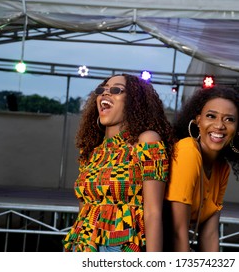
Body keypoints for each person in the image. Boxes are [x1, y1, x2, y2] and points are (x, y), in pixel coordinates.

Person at [63, 73, 175, 252]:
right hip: (83, 245)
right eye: (102, 90)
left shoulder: (147, 142)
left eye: (116, 90)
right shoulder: (92, 151)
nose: (105, 94)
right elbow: (84, 209)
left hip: (120, 246)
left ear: (135, 102)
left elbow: (153, 213)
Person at [164, 86, 239, 252]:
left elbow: (210, 234)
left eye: (229, 119)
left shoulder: (222, 168)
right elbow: (177, 231)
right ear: (198, 120)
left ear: (238, 129)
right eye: (211, 116)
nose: (219, 125)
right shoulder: (188, 151)